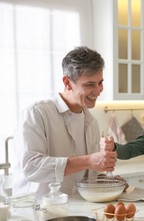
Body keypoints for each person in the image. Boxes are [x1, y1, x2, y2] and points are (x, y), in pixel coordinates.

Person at [13, 46, 118, 196]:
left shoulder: (91, 122)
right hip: (36, 213)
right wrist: (89, 160)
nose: (98, 91)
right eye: (89, 84)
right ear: (67, 82)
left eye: (100, 82)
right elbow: (32, 167)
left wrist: (105, 180)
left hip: (74, 212)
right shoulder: (36, 114)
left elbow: (84, 178)